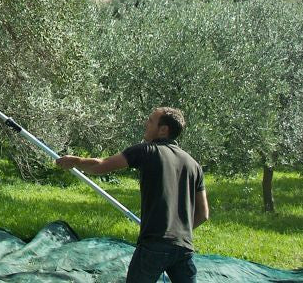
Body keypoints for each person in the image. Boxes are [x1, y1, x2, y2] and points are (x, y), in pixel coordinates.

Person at [55, 107, 209, 283]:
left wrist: (76, 161)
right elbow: (204, 214)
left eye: (151, 120)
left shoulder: (147, 150)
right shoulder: (194, 165)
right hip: (184, 248)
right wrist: (180, 233)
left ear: (163, 129)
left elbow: (102, 165)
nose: (146, 123)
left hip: (153, 245)